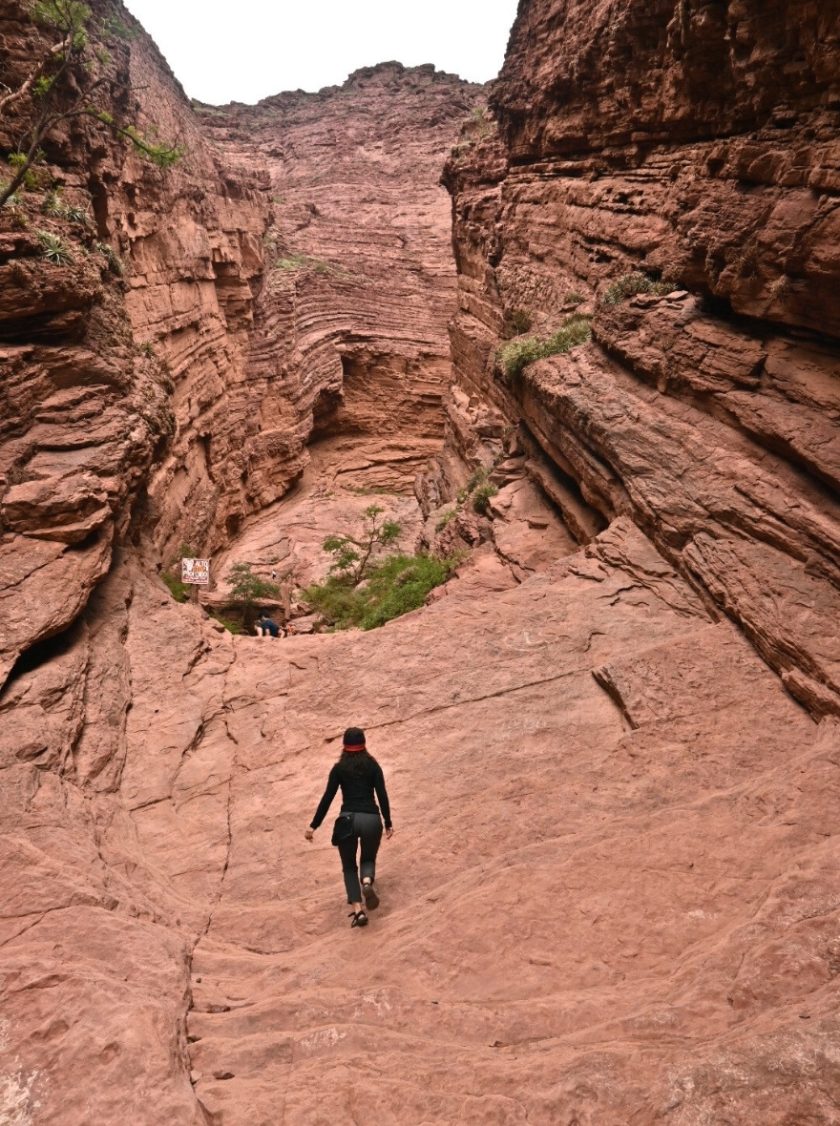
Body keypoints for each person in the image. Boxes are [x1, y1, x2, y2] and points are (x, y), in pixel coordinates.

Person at [305, 727, 394, 928]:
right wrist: (388, 822)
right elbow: (382, 794)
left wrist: (314, 825)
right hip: (371, 818)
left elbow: (327, 798)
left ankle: (358, 910)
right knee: (368, 858)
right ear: (364, 744)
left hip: (348, 820)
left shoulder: (339, 769)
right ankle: (367, 882)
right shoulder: (373, 766)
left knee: (348, 866)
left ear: (344, 746)